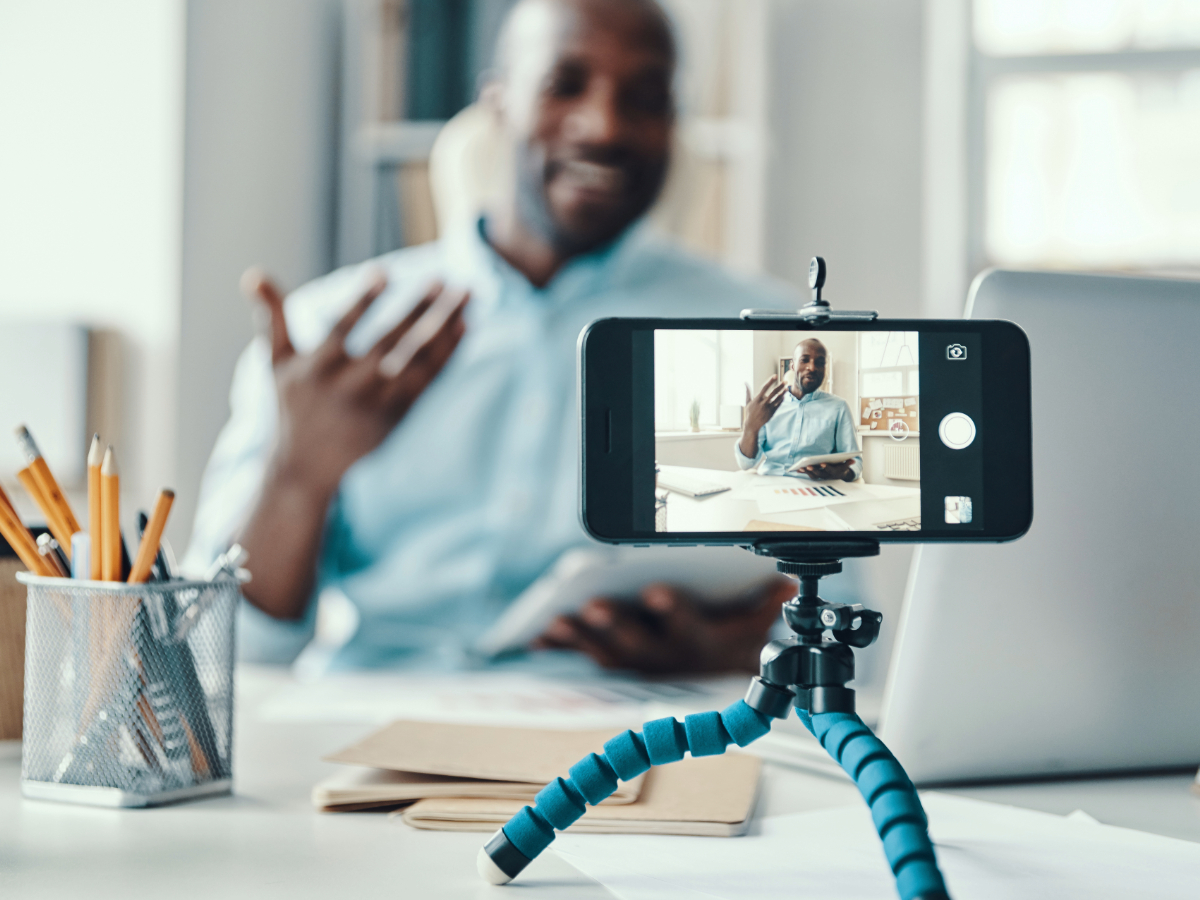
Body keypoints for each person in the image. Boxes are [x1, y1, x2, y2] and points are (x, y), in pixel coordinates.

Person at [186, 0, 807, 674]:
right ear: (498, 104)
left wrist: (736, 652)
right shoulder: (330, 336)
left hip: (643, 736)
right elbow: (223, 655)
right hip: (365, 725)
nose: (603, 126)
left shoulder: (770, 339)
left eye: (645, 97)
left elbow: (846, 640)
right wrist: (297, 475)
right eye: (563, 84)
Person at [736, 338, 861, 480]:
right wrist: (750, 427)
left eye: (820, 362)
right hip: (770, 482)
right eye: (804, 360)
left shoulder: (839, 407)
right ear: (792, 365)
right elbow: (746, 464)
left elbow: (855, 462)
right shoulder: (768, 407)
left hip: (815, 486)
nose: (812, 368)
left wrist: (842, 473)